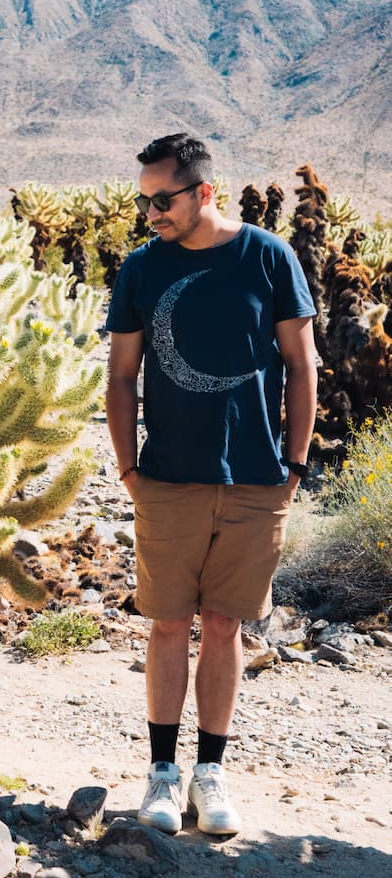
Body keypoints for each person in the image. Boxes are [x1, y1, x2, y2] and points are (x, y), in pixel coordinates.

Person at [105, 133, 317, 835]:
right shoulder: (141, 269)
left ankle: (210, 775)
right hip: (167, 477)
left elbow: (301, 364)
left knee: (225, 627)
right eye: (143, 202)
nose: (150, 214)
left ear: (202, 192)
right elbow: (122, 373)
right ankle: (162, 775)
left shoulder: (267, 257)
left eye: (161, 200)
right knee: (168, 625)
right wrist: (129, 468)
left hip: (257, 478)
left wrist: (293, 467)